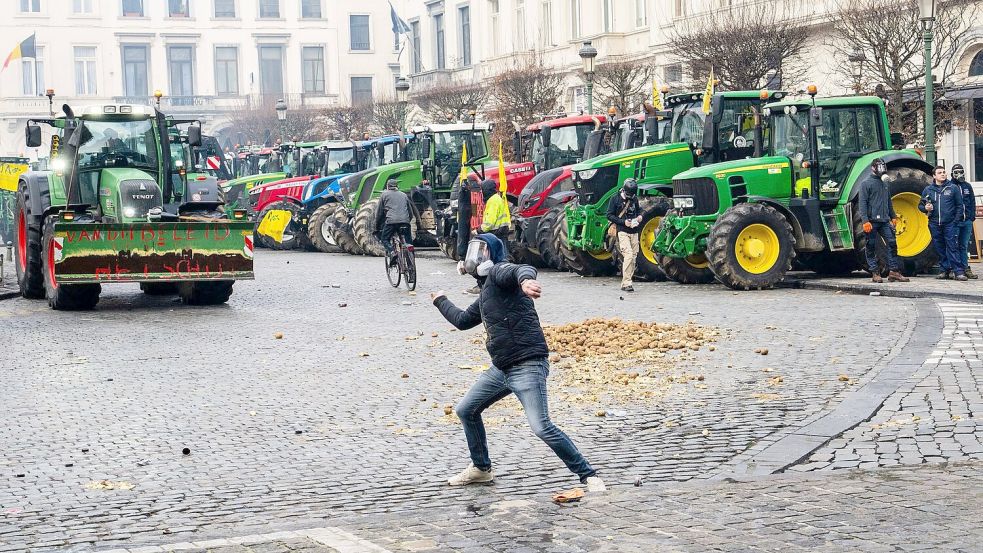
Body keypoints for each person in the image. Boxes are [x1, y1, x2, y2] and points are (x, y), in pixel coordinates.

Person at [431, 234, 605, 492]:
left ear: (492, 255)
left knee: (541, 426)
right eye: (472, 250)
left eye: (481, 251)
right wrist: (440, 301)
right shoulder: (486, 293)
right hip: (501, 368)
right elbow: (463, 321)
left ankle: (588, 475)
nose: (474, 257)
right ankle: (481, 469)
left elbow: (520, 270)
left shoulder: (500, 272)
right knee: (466, 410)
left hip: (527, 364)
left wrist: (526, 282)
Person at [858, 158, 909, 283]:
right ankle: (875, 272)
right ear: (873, 168)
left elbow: (888, 201)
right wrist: (865, 221)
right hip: (871, 221)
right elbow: (862, 204)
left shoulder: (885, 183)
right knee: (870, 246)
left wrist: (893, 217)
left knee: (892, 243)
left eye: (883, 167)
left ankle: (894, 272)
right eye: (879, 167)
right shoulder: (866, 183)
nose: (882, 170)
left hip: (885, 221)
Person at [920, 165, 966, 281]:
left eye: (944, 172)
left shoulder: (953, 188)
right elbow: (920, 206)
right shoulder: (928, 190)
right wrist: (926, 208)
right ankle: (945, 270)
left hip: (950, 224)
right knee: (939, 248)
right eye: (940, 172)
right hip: (934, 223)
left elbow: (960, 206)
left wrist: (955, 221)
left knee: (952, 247)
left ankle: (958, 271)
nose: (943, 174)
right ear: (934, 176)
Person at [607, 178, 643, 292]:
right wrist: (624, 222)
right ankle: (627, 283)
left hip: (634, 230)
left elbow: (639, 210)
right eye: (628, 194)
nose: (630, 197)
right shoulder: (615, 198)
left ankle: (627, 281)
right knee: (628, 254)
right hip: (622, 230)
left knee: (633, 257)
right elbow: (609, 215)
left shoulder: (634, 198)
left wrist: (640, 217)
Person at [376, 179, 414, 265]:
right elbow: (410, 213)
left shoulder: (384, 194)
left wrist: (377, 227)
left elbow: (379, 213)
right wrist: (406, 221)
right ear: (397, 186)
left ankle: (392, 252)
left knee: (384, 239)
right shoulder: (404, 195)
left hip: (391, 222)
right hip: (405, 222)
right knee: (408, 243)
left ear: (387, 186)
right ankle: (411, 265)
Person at [952, 164, 978, 279]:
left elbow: (972, 201)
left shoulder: (967, 186)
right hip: (955, 222)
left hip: (967, 221)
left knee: (964, 245)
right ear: (952, 173)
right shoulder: (950, 186)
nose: (959, 174)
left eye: (961, 171)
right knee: (954, 245)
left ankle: (966, 268)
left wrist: (971, 217)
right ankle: (956, 269)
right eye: (956, 171)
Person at [479, 179, 510, 249]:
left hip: (496, 232)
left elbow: (490, 222)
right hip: (502, 230)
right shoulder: (497, 198)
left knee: (497, 255)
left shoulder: (492, 201)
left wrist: (479, 230)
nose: (481, 192)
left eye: (482, 189)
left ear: (486, 189)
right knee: (502, 253)